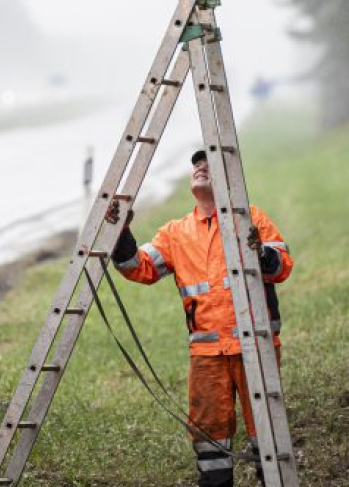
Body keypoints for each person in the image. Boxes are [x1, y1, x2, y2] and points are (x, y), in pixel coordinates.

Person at [113, 150, 294, 487]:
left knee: (267, 434)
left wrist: (260, 251)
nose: (200, 167)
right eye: (196, 164)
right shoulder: (176, 232)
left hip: (256, 346)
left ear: (228, 178)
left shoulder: (251, 218)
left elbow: (282, 266)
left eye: (209, 163)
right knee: (210, 440)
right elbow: (138, 268)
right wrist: (120, 230)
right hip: (207, 356)